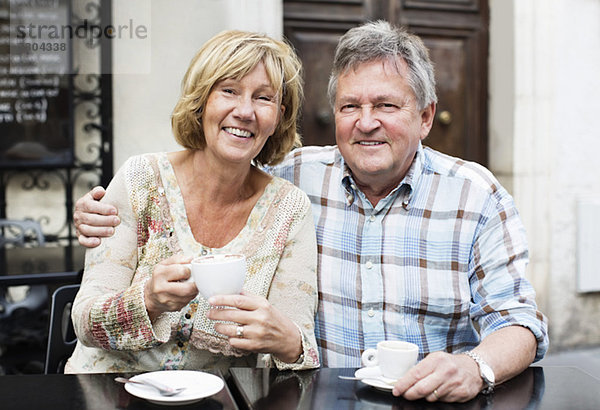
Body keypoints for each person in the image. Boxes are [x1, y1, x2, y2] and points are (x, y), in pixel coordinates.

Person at [73, 21, 548, 403]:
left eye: (386, 105)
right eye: (349, 106)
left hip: (420, 398)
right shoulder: (294, 176)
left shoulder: (475, 196)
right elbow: (221, 158)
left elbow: (519, 322)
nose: (366, 122)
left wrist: (475, 367)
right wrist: (96, 211)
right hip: (133, 393)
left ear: (426, 117)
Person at [65, 30, 320, 374]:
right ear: (201, 101)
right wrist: (149, 301)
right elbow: (84, 321)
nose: (245, 111)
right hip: (110, 391)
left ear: (278, 116)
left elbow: (297, 344)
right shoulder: (141, 180)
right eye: (229, 90)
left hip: (215, 399)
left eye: (263, 98)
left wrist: (286, 341)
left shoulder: (289, 209)